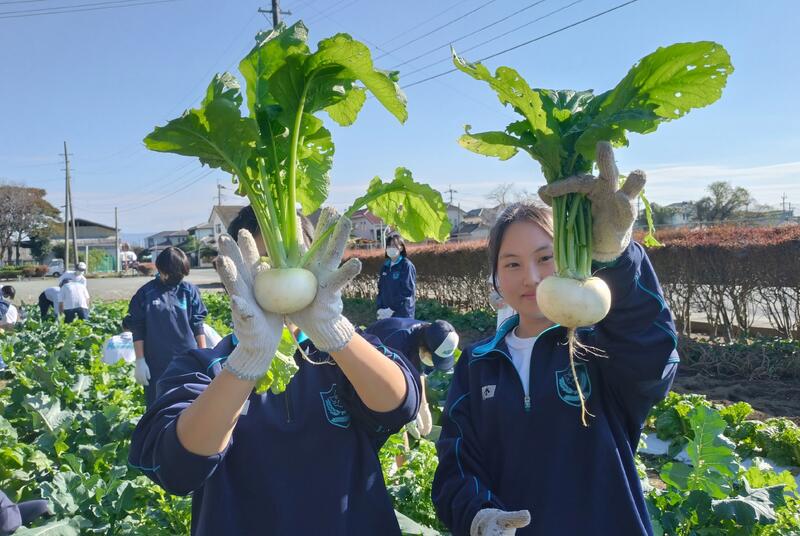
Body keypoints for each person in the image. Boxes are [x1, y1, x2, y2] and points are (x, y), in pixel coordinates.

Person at [432, 144, 679, 536]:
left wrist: (618, 257)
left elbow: (654, 358)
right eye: (511, 264)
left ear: (568, 256)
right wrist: (478, 516)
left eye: (545, 258)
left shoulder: (601, 347)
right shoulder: (478, 363)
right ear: (495, 276)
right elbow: (456, 464)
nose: (529, 276)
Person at [129, 206, 420, 535]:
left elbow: (400, 405)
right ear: (236, 275)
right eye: (265, 266)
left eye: (294, 263)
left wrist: (337, 334)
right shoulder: (203, 367)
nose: (280, 276)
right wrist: (247, 362)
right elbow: (176, 467)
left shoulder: (340, 357)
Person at [125, 247, 208, 408]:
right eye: (173, 275)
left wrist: (203, 355)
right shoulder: (146, 293)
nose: (178, 279)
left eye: (181, 275)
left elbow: (197, 324)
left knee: (189, 405)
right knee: (158, 406)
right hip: (157, 362)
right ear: (161, 270)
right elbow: (137, 327)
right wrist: (140, 360)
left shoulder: (188, 291)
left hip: (188, 360)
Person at [365, 317, 458, 436]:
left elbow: (418, 372)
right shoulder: (397, 341)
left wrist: (422, 405)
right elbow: (386, 382)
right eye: (433, 358)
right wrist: (405, 414)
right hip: (368, 362)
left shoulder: (430, 334)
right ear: (425, 348)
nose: (432, 363)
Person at [376, 233, 417, 320]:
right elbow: (381, 289)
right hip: (385, 313)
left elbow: (407, 292)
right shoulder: (385, 266)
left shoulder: (406, 266)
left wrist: (391, 309)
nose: (391, 248)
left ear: (401, 248)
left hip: (402, 314)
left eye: (394, 246)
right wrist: (380, 308)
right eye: (389, 246)